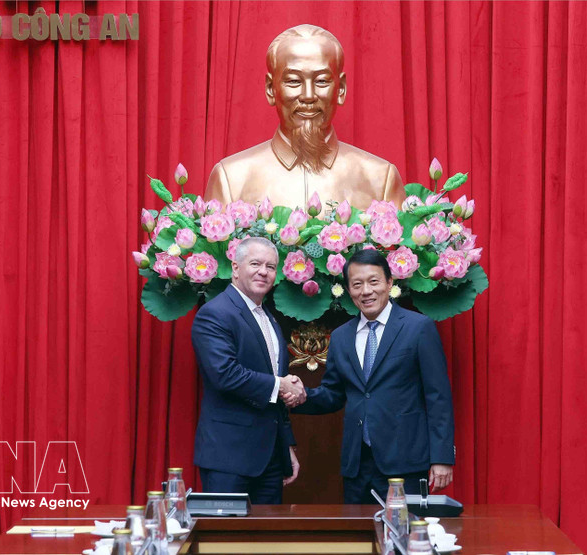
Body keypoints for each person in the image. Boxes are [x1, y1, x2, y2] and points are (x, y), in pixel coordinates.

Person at [290, 249, 455, 504]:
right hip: (357, 465)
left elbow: (438, 397)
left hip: (405, 462)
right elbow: (333, 394)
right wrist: (300, 397)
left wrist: (442, 457)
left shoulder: (418, 328)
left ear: (389, 283)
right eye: (357, 284)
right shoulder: (342, 337)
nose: (366, 291)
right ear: (348, 289)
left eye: (373, 281)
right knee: (361, 540)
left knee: (403, 538)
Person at [204, 24, 406, 211]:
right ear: (270, 89)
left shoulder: (380, 179)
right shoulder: (231, 179)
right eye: (293, 81)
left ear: (341, 88)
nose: (308, 95)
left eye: (321, 81)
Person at [191, 237, 307, 503]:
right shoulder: (215, 313)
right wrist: (281, 385)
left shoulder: (269, 319)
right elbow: (225, 374)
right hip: (228, 458)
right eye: (255, 263)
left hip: (270, 459)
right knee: (225, 542)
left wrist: (286, 445)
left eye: (270, 266)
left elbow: (275, 394)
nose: (263, 271)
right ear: (235, 267)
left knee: (266, 541)